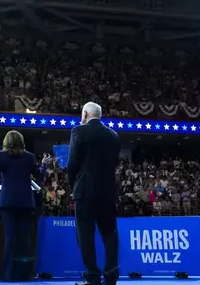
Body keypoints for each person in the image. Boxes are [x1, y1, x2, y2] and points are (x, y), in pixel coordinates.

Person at [0, 130, 52, 281]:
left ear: (6, 142)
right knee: (24, 239)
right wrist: (44, 165)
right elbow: (40, 176)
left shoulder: (1, 156)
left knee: (10, 238)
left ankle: (8, 275)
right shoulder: (30, 157)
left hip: (8, 202)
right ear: (21, 142)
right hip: (26, 202)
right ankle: (24, 274)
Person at [68, 102, 120, 285]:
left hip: (84, 191)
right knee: (110, 233)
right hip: (107, 192)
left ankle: (92, 276)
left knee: (85, 234)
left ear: (85, 114)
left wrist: (71, 186)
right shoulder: (113, 135)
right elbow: (114, 162)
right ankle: (112, 274)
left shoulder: (78, 131)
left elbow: (73, 163)